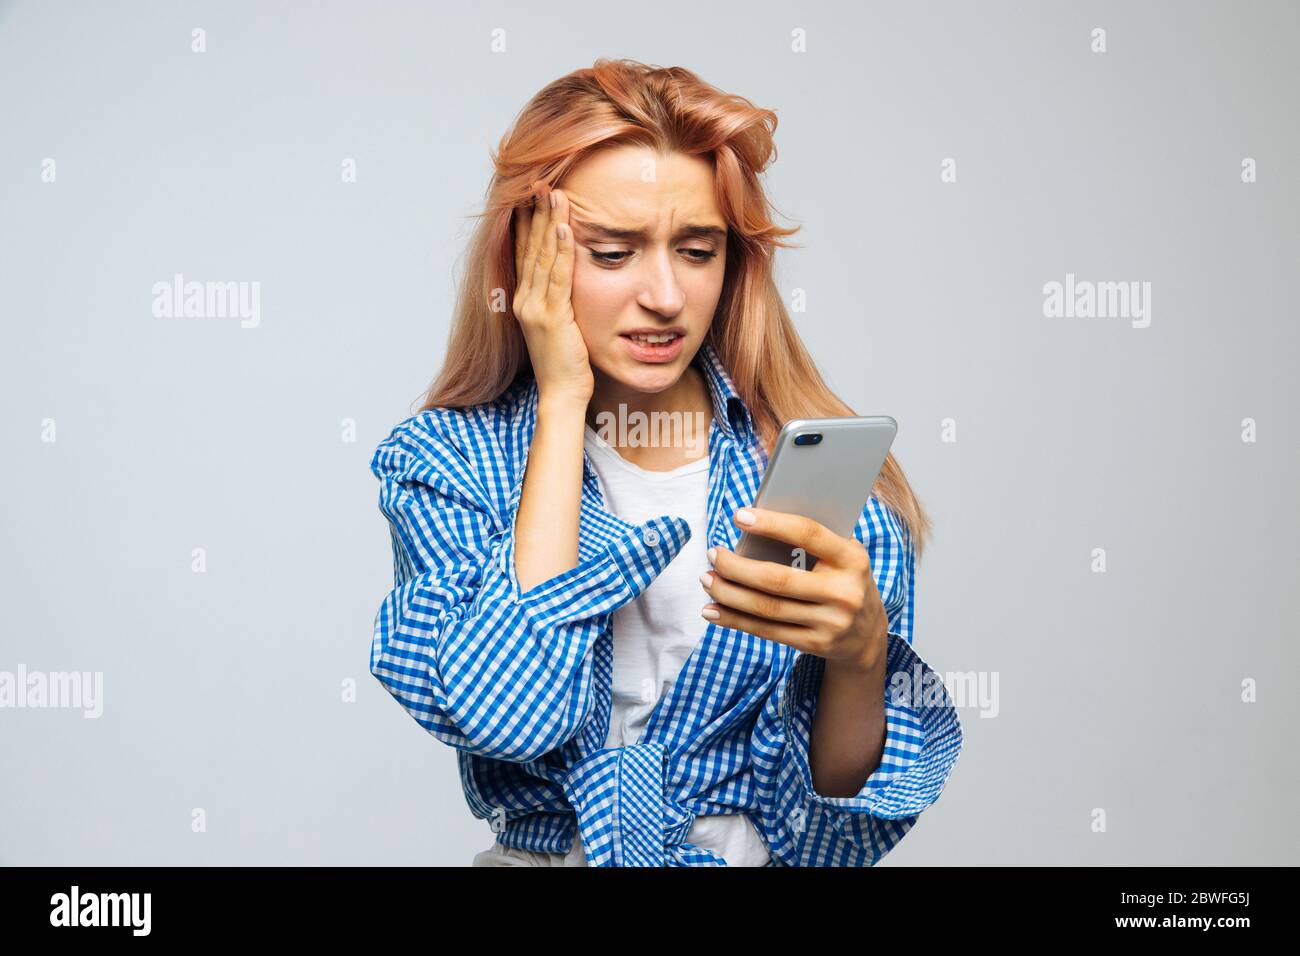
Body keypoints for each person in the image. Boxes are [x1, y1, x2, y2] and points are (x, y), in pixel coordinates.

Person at [369, 59, 963, 867]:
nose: (664, 295)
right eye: (612, 253)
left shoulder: (808, 472)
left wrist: (861, 656)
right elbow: (515, 715)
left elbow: (838, 838)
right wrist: (562, 400)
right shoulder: (449, 463)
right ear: (527, 258)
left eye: (696, 250)